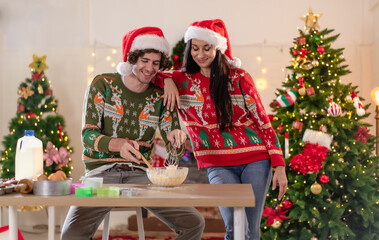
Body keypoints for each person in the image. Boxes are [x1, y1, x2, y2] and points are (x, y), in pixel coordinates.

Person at [61, 27, 205, 240]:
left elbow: (173, 155)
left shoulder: (160, 96)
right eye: (144, 60)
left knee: (194, 223)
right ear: (132, 58)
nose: (149, 68)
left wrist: (177, 141)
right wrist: (118, 145)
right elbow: (88, 137)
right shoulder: (102, 84)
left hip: (142, 177)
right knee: (70, 235)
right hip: (100, 176)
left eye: (156, 63)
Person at [156, 19, 288, 240]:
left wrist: (279, 166)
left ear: (218, 48)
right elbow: (149, 74)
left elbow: (263, 121)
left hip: (255, 158)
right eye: (195, 48)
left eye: (206, 48)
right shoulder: (182, 79)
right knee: (234, 227)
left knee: (250, 229)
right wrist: (167, 80)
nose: (200, 54)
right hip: (217, 164)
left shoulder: (239, 78)